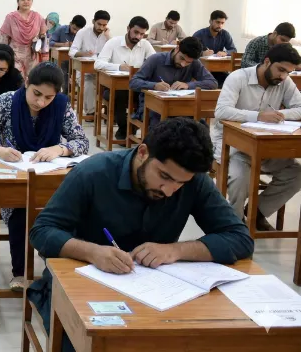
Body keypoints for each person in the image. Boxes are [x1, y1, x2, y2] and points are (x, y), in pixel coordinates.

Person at [27, 118, 254, 352]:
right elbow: (42, 231)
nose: (169, 190)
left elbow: (239, 238)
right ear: (143, 152)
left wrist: (175, 250)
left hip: (157, 293)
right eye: (164, 177)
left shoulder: (194, 181)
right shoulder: (93, 172)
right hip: (81, 287)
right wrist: (92, 252)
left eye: (180, 184)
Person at [0, 62, 89, 291]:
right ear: (26, 83)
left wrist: (60, 149)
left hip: (49, 179)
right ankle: (20, 273)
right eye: (36, 94)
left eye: (49, 98)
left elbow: (82, 141)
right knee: (22, 210)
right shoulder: (6, 102)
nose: (41, 102)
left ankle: (59, 275)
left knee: (70, 214)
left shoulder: (61, 106)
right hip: (13, 180)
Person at [213, 43, 301, 230]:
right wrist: (259, 116)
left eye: (289, 73)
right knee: (240, 178)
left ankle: (256, 212)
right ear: (267, 61)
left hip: (266, 145)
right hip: (234, 146)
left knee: (297, 173)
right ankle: (235, 226)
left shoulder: (284, 82)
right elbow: (221, 111)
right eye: (281, 70)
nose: (283, 76)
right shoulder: (238, 78)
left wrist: (281, 114)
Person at [130, 36, 217, 126]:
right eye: (182, 58)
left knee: (199, 125)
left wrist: (188, 85)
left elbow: (212, 82)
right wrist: (154, 85)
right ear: (177, 48)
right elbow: (133, 82)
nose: (183, 64)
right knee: (162, 125)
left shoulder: (195, 63)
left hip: (179, 106)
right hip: (151, 107)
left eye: (188, 62)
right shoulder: (155, 59)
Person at [94, 16, 156, 139]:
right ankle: (124, 128)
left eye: (142, 34)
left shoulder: (145, 45)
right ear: (128, 28)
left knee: (150, 98)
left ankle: (134, 128)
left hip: (137, 87)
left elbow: (155, 62)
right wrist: (119, 67)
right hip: (113, 88)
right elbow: (98, 64)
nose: (138, 37)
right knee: (120, 96)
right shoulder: (113, 42)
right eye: (136, 32)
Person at [69, 10, 111, 116]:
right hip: (84, 72)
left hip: (101, 72)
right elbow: (72, 51)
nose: (101, 27)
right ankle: (90, 113)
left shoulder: (107, 35)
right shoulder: (82, 32)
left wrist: (108, 38)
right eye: (99, 24)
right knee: (88, 82)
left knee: (112, 84)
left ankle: (110, 114)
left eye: (104, 25)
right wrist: (84, 54)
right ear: (93, 21)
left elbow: (113, 54)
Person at [0, 0, 48, 77]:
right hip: (15, 54)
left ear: (32, 1)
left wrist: (40, 45)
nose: (26, 1)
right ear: (18, 2)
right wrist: (3, 55)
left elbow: (43, 36)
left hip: (32, 55)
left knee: (31, 80)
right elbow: (4, 37)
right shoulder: (11, 17)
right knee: (17, 79)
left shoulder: (38, 17)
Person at [50, 15, 87, 93]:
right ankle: (64, 93)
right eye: (74, 29)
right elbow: (51, 42)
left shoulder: (83, 33)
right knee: (63, 76)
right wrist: (63, 44)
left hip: (75, 60)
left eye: (78, 30)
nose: (75, 32)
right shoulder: (61, 29)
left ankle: (72, 95)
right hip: (62, 59)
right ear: (70, 23)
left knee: (81, 76)